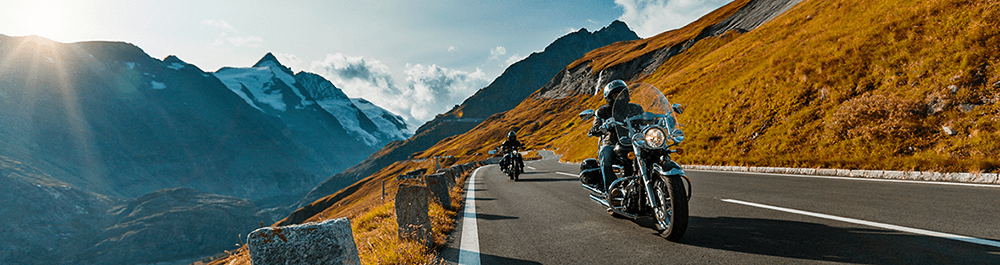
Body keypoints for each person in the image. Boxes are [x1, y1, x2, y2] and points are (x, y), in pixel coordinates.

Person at [587, 80, 643, 191]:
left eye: (621, 94)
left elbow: (644, 120)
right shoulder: (602, 111)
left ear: (626, 94)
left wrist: (658, 120)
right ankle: (613, 190)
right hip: (612, 143)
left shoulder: (636, 108)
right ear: (609, 98)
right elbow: (597, 126)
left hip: (634, 141)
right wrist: (597, 128)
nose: (619, 98)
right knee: (605, 154)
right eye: (615, 95)